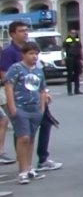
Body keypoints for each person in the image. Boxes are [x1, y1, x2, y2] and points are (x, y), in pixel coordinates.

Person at [1, 21, 62, 172]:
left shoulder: (32, 48)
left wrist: (45, 92)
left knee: (44, 123)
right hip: (19, 99)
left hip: (35, 96)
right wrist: (13, 102)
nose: (25, 33)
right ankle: (24, 164)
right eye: (21, 31)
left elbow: (38, 73)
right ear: (13, 34)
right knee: (22, 131)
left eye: (26, 30)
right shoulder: (9, 52)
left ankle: (41, 159)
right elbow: (5, 76)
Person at [4, 42, 49, 184]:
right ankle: (22, 170)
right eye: (31, 53)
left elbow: (42, 90)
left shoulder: (38, 71)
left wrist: (42, 108)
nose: (34, 56)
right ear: (23, 54)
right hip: (20, 108)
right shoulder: (16, 68)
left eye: (36, 54)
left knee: (30, 139)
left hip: (35, 109)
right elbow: (8, 86)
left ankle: (29, 168)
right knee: (23, 138)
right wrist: (12, 107)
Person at [63, 28, 83, 95]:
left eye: (75, 33)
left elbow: (80, 49)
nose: (74, 34)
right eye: (72, 33)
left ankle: (77, 90)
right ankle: (69, 91)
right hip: (70, 58)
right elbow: (63, 50)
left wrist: (82, 58)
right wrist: (63, 59)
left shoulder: (77, 40)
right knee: (69, 74)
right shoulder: (67, 40)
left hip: (77, 58)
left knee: (77, 74)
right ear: (70, 33)